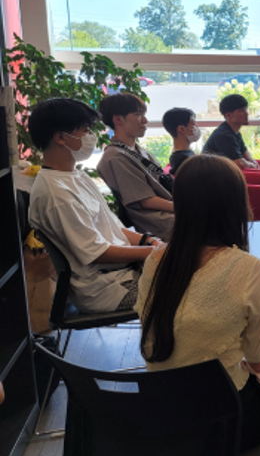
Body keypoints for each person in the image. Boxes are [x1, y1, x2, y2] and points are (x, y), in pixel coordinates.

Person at [136, 155, 260, 454]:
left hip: (163, 411)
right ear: (237, 204)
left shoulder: (156, 261)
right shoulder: (250, 270)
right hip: (222, 419)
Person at [27, 98, 162, 314]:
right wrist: (154, 253)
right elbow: (98, 253)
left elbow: (115, 228)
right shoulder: (56, 194)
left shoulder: (76, 176)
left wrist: (149, 242)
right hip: (108, 289)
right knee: (193, 286)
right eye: (85, 130)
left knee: (197, 271)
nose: (92, 136)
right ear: (61, 137)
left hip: (123, 272)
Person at [96, 93, 175, 240]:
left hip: (167, 212)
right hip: (156, 222)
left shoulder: (138, 150)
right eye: (138, 115)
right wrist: (185, 208)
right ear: (118, 119)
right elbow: (145, 200)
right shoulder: (116, 157)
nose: (145, 121)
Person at [203, 93, 260, 220]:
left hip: (233, 177)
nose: (246, 113)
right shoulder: (223, 135)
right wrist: (251, 165)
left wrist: (253, 164)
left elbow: (245, 154)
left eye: (246, 109)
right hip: (222, 185)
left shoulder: (234, 131)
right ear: (228, 115)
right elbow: (239, 163)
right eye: (241, 110)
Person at [162, 107, 200, 176]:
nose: (197, 127)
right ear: (182, 129)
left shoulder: (184, 154)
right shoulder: (183, 160)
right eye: (194, 124)